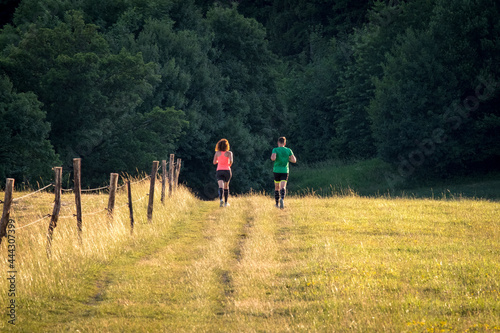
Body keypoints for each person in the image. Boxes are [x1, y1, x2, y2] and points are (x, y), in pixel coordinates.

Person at [271, 136, 296, 209]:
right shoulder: (288, 150)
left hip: (276, 170)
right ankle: (282, 198)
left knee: (276, 187)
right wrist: (288, 159)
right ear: (284, 143)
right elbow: (294, 160)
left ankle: (276, 203)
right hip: (285, 170)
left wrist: (275, 157)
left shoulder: (275, 149)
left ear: (278, 142)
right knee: (283, 186)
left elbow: (273, 158)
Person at [213, 138, 233, 207]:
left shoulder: (217, 153)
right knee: (226, 186)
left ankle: (221, 199)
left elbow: (214, 162)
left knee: (220, 186)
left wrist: (219, 161)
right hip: (227, 170)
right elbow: (231, 161)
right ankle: (226, 203)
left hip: (219, 170)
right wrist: (228, 164)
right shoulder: (229, 153)